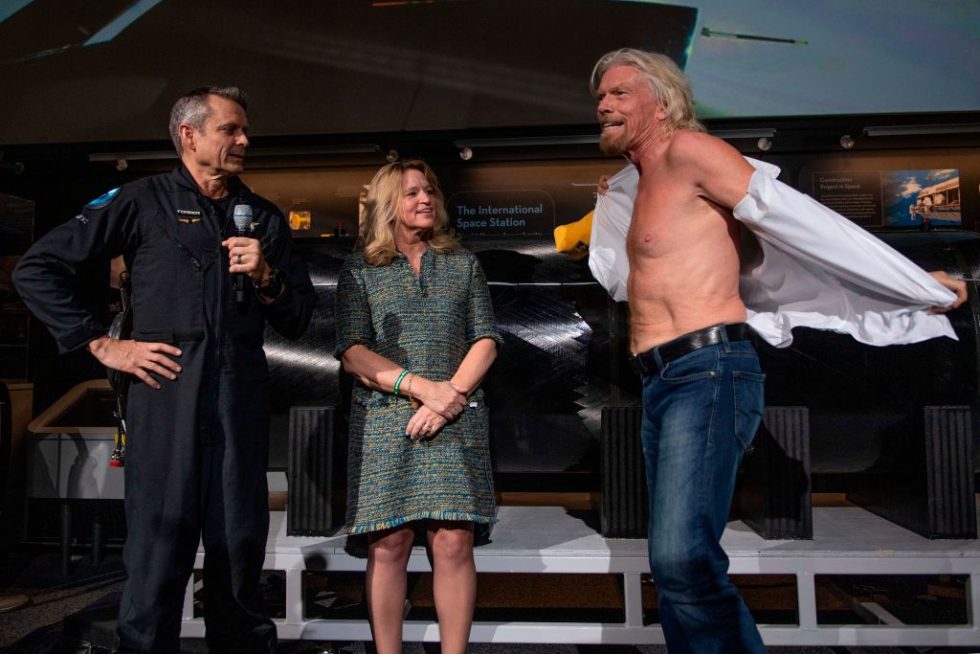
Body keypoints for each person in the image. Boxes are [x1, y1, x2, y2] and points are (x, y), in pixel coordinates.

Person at [589, 49, 967, 653]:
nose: (603, 105)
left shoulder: (691, 153)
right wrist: (614, 202)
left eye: (618, 93)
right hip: (659, 381)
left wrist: (914, 283)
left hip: (706, 371)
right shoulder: (638, 185)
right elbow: (622, 279)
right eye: (600, 97)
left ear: (661, 101)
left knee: (683, 558)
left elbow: (801, 221)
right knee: (674, 565)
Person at [13, 86, 314, 653]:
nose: (244, 140)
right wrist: (103, 344)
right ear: (189, 135)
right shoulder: (139, 200)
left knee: (239, 548)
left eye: (245, 130)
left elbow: (299, 318)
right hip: (166, 390)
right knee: (158, 551)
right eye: (231, 130)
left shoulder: (263, 217)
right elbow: (38, 269)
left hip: (238, 397)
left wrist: (268, 275)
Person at [335, 159, 501, 654]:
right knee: (389, 544)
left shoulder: (462, 263)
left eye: (429, 190)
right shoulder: (360, 269)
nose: (425, 199)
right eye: (411, 193)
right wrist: (422, 389)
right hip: (386, 421)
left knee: (453, 542)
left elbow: (486, 340)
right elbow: (353, 352)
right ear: (388, 203)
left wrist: (449, 399)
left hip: (456, 418)